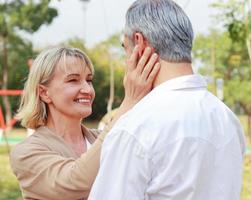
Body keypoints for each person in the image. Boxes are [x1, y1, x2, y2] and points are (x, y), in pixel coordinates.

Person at [88, 0, 246, 200]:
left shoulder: (135, 127)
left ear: (140, 43)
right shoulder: (227, 119)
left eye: (125, 48)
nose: (126, 59)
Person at [10, 46, 160, 200]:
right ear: (44, 93)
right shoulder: (26, 153)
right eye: (73, 80)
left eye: (89, 80)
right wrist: (129, 102)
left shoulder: (101, 138)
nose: (88, 89)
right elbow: (75, 183)